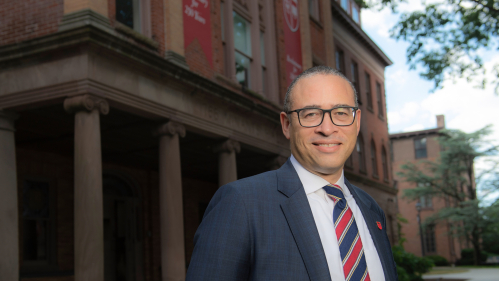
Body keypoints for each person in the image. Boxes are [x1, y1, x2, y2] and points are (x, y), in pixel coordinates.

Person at [186, 66, 398, 281]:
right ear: (287, 125)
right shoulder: (241, 203)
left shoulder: (371, 209)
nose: (327, 128)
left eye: (341, 113)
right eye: (311, 114)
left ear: (357, 121)